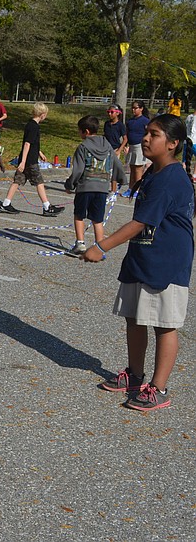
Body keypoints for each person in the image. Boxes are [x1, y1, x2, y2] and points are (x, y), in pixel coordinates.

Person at [85, 114, 194, 411]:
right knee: (134, 318)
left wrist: (101, 246)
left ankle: (159, 389)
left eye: (154, 134)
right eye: (146, 132)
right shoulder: (154, 172)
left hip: (165, 263)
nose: (145, 138)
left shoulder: (171, 178)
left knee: (163, 325)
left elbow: (140, 222)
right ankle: (134, 376)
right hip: (142, 256)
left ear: (172, 144)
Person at [64, 115, 126, 254]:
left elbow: (78, 170)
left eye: (79, 131)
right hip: (102, 188)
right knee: (97, 219)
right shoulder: (107, 145)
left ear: (86, 131)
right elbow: (116, 163)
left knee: (79, 215)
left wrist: (70, 184)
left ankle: (80, 244)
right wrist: (122, 178)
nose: (79, 133)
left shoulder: (82, 147)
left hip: (85, 187)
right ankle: (99, 247)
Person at [0, 102, 65, 217]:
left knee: (17, 181)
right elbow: (27, 144)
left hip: (28, 158)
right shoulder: (34, 127)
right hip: (29, 160)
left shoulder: (30, 124)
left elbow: (32, 143)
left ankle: (6, 203)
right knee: (39, 182)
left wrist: (40, 152)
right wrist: (23, 161)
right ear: (42, 114)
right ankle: (47, 207)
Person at [123, 100, 151, 197]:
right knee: (132, 168)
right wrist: (126, 145)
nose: (133, 110)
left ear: (141, 109)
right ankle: (130, 188)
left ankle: (137, 190)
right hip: (131, 146)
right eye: (132, 108)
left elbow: (149, 134)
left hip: (139, 146)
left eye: (136, 108)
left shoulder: (145, 121)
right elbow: (127, 134)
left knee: (138, 169)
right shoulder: (130, 121)